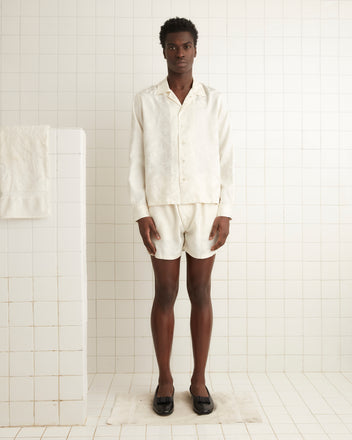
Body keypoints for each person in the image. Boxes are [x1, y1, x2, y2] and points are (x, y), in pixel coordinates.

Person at [128, 17, 234, 416]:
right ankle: (166, 379)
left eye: (186, 46)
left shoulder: (213, 100)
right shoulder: (146, 100)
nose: (180, 53)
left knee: (201, 293)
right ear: (163, 50)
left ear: (195, 49)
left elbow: (227, 159)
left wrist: (226, 211)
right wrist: (141, 212)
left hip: (205, 208)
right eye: (173, 46)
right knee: (166, 293)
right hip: (161, 209)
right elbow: (135, 160)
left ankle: (199, 379)